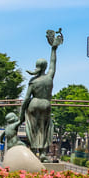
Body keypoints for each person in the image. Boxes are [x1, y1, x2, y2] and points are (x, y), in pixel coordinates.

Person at [19, 28, 64, 157]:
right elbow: (53, 64)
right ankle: (43, 153)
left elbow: (27, 98)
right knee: (44, 128)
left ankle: (33, 150)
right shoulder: (49, 77)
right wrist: (53, 50)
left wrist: (21, 112)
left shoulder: (33, 81)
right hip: (46, 104)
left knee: (33, 128)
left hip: (34, 104)